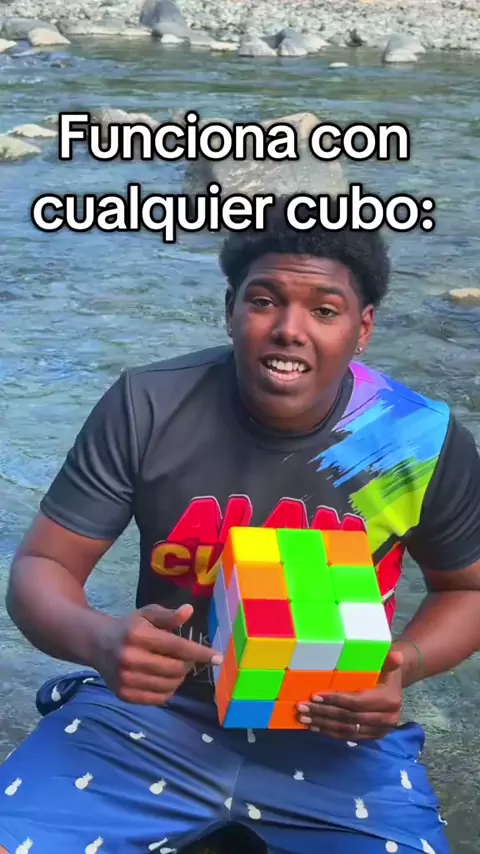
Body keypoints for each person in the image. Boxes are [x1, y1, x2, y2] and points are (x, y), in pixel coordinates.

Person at [1, 198, 480, 854]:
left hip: (335, 729)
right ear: (230, 309)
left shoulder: (414, 439)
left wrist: (404, 664)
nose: (289, 329)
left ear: (363, 327)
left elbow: (467, 588)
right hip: (156, 713)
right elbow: (43, 566)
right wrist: (101, 641)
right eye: (263, 301)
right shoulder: (149, 406)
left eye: (325, 310)